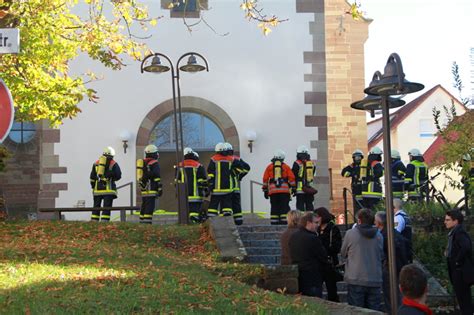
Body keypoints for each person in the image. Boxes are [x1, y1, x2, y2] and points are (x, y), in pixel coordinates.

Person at [341, 208, 383, 311]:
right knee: (374, 311)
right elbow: (381, 254)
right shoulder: (378, 235)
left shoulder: (350, 234)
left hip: (356, 278)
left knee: (356, 311)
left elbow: (343, 253)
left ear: (359, 220)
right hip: (375, 278)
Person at [375, 211, 409, 311]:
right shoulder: (395, 233)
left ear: (379, 223)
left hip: (390, 269)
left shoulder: (384, 236)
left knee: (390, 297)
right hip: (399, 267)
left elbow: (382, 253)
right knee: (398, 297)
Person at [289, 212, 329, 297]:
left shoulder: (293, 236)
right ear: (308, 223)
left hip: (298, 276)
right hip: (312, 277)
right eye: (316, 222)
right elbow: (323, 256)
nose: (318, 225)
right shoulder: (312, 238)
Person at [444, 210, 473, 315]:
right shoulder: (455, 232)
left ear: (455, 221)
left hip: (460, 272)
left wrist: (457, 261)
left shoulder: (459, 232)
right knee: (463, 300)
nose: (445, 222)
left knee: (464, 300)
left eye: (448, 220)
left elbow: (466, 246)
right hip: (458, 271)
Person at [315, 207, 342, 302]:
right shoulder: (316, 229)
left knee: (331, 288)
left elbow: (337, 247)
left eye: (317, 217)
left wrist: (323, 250)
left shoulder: (333, 229)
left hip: (330, 263)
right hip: (318, 263)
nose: (315, 219)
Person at [262, 150, 296, 225]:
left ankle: (274, 222)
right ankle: (283, 221)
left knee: (274, 206)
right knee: (284, 206)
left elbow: (265, 179)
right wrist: (293, 188)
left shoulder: (269, 167)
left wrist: (265, 190)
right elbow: (292, 178)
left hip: (273, 191)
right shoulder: (286, 167)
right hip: (284, 191)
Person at [90, 146, 122, 222]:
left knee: (96, 206)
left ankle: (94, 221)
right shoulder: (113, 164)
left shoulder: (96, 163)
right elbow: (118, 176)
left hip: (97, 190)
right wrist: (112, 178)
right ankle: (105, 221)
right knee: (107, 207)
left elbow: (92, 177)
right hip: (109, 190)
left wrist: (93, 186)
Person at [207, 143, 239, 218]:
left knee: (214, 203)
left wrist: (210, 184)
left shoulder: (213, 159)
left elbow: (210, 172)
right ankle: (226, 214)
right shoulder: (231, 159)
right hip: (228, 187)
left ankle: (211, 216)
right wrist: (234, 173)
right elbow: (240, 167)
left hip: (217, 188)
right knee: (227, 203)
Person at [176, 147, 208, 223]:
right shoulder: (198, 165)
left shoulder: (179, 166)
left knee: (185, 209)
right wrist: (205, 189)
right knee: (195, 209)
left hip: (183, 194)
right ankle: (194, 221)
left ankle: (187, 221)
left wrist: (178, 192)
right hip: (195, 194)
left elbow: (177, 180)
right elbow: (202, 180)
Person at [224, 142, 250, 225]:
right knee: (236, 205)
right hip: (235, 187)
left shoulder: (221, 159)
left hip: (225, 187)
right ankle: (238, 221)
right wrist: (239, 176)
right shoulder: (236, 158)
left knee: (225, 204)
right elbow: (247, 168)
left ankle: (226, 222)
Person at [137, 144, 162, 224]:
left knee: (144, 204)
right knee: (150, 206)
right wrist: (159, 188)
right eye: (156, 152)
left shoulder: (143, 162)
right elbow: (157, 176)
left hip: (144, 188)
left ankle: (142, 221)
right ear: (154, 153)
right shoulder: (154, 163)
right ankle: (147, 222)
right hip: (152, 188)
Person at [292, 145, 317, 212]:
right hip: (309, 188)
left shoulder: (296, 163)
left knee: (300, 206)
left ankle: (301, 220)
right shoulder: (312, 163)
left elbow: (293, 175)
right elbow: (312, 173)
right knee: (309, 205)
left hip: (300, 189)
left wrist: (293, 188)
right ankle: (311, 219)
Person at [394, 198, 413, 263]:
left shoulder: (397, 218)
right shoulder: (406, 216)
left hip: (401, 252)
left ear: (393, 207)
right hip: (407, 249)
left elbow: (395, 235)